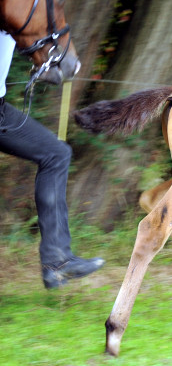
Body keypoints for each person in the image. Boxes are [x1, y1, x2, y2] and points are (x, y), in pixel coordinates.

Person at [0, 31, 104, 288]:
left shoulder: (13, 16)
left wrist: (59, 62)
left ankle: (57, 262)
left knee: (56, 154)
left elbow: (38, 44)